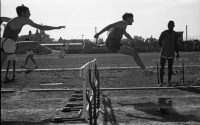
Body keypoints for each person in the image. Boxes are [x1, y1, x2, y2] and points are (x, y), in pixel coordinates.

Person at [1, 4, 68, 71]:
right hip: (8, 44)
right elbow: (41, 27)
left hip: (4, 43)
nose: (30, 14)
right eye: (28, 12)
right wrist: (57, 27)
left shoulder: (14, 19)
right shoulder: (24, 20)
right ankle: (59, 53)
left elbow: (2, 18)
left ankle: (59, 53)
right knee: (35, 44)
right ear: (22, 13)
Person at [158, 21, 179, 87]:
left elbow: (175, 44)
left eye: (171, 25)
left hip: (171, 53)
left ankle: (169, 82)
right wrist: (163, 47)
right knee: (162, 67)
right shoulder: (164, 33)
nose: (169, 26)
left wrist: (177, 52)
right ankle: (161, 83)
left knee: (170, 68)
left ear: (173, 25)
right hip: (164, 53)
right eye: (169, 24)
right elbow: (159, 41)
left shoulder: (175, 34)